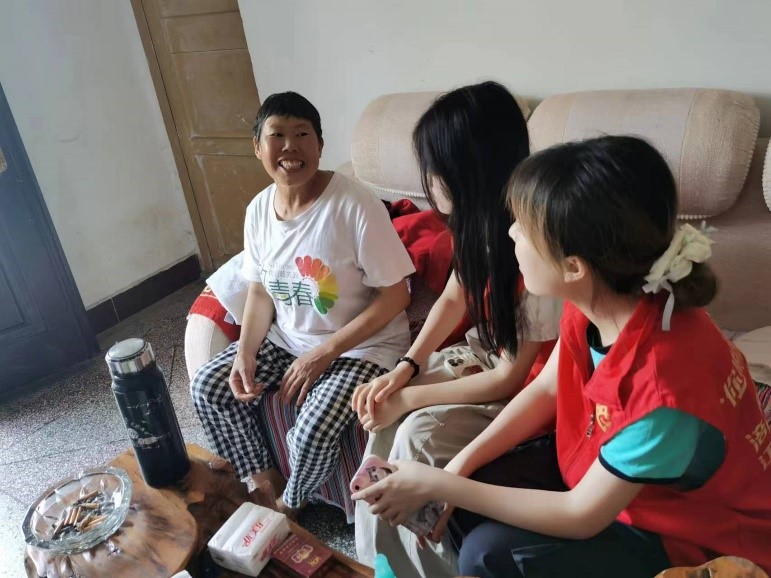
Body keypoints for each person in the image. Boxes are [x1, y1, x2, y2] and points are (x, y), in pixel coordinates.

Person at [353, 136, 771, 577]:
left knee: (486, 554)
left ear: (574, 266)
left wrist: (441, 483)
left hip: (685, 536)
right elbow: (548, 389)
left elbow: (580, 514)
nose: (511, 233)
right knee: (464, 501)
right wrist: (457, 470)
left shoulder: (664, 393)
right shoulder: (600, 299)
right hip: (613, 479)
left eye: (524, 228)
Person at [351, 81, 561, 576]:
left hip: (521, 390)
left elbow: (512, 378)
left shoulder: (532, 246)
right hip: (481, 357)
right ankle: (379, 562)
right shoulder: (477, 222)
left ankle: (432, 564)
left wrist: (412, 398)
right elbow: (454, 295)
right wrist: (405, 370)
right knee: (380, 407)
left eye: (435, 168)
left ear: (470, 170)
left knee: (417, 438)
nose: (426, 180)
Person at [190, 91, 415, 517]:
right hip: (289, 340)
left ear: (320, 145)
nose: (290, 147)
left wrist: (323, 354)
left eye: (302, 135)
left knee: (312, 428)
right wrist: (245, 353)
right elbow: (260, 291)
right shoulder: (258, 210)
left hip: (360, 348)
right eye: (277, 135)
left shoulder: (355, 206)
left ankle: (290, 504)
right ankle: (264, 484)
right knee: (209, 387)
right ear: (258, 148)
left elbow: (397, 294)